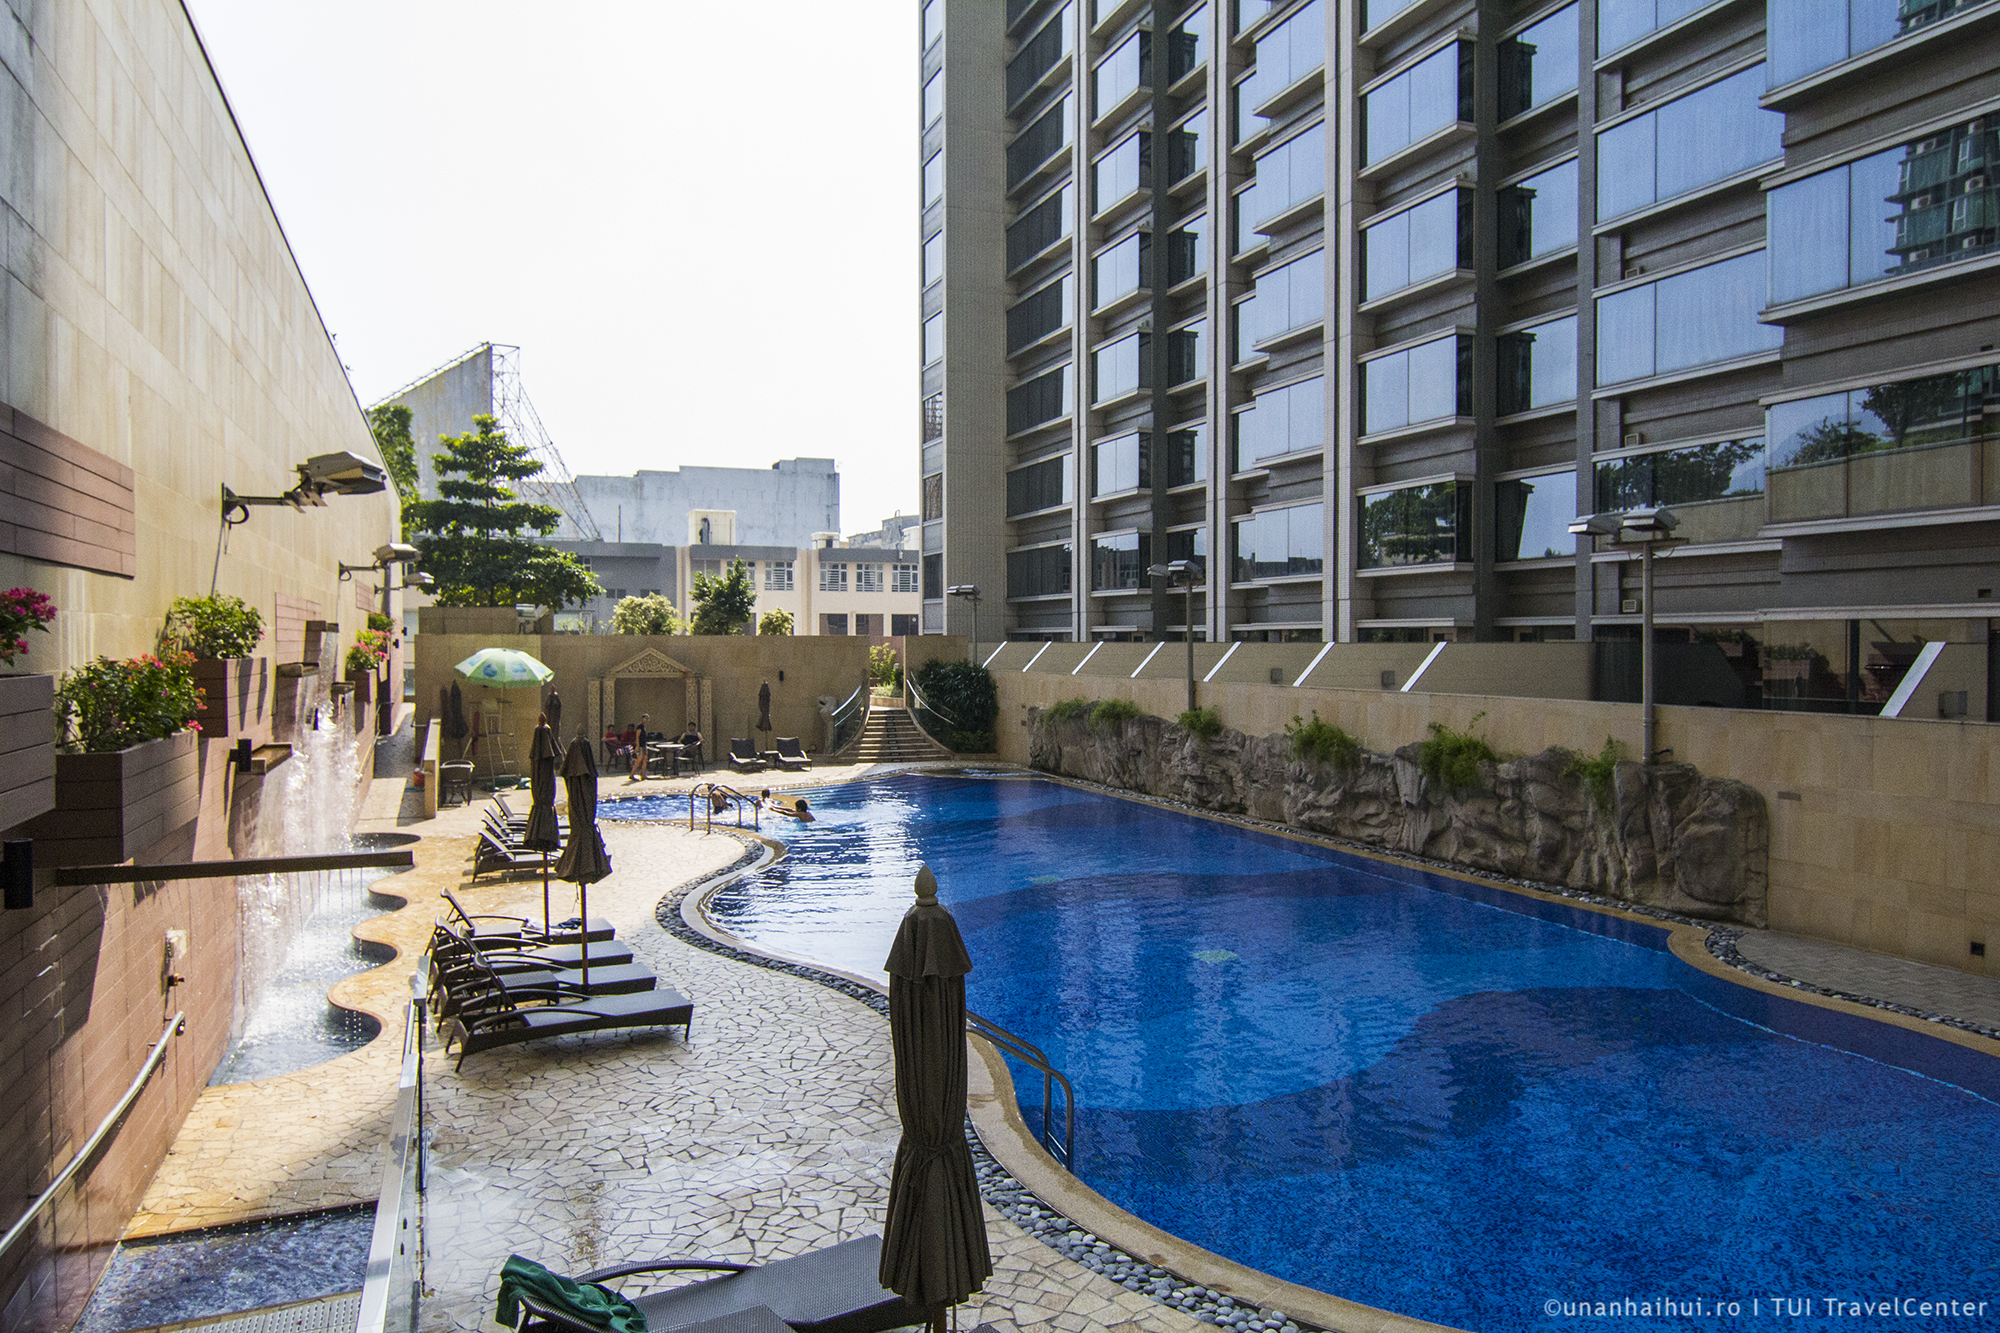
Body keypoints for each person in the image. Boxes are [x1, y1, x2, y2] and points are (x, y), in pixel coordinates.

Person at [628, 714, 653, 780]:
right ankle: (632, 774)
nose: (646, 720)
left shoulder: (644, 727)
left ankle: (643, 774)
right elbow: (637, 737)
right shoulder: (639, 727)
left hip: (644, 745)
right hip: (640, 746)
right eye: (645, 718)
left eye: (647, 719)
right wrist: (637, 746)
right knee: (639, 760)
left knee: (645, 759)